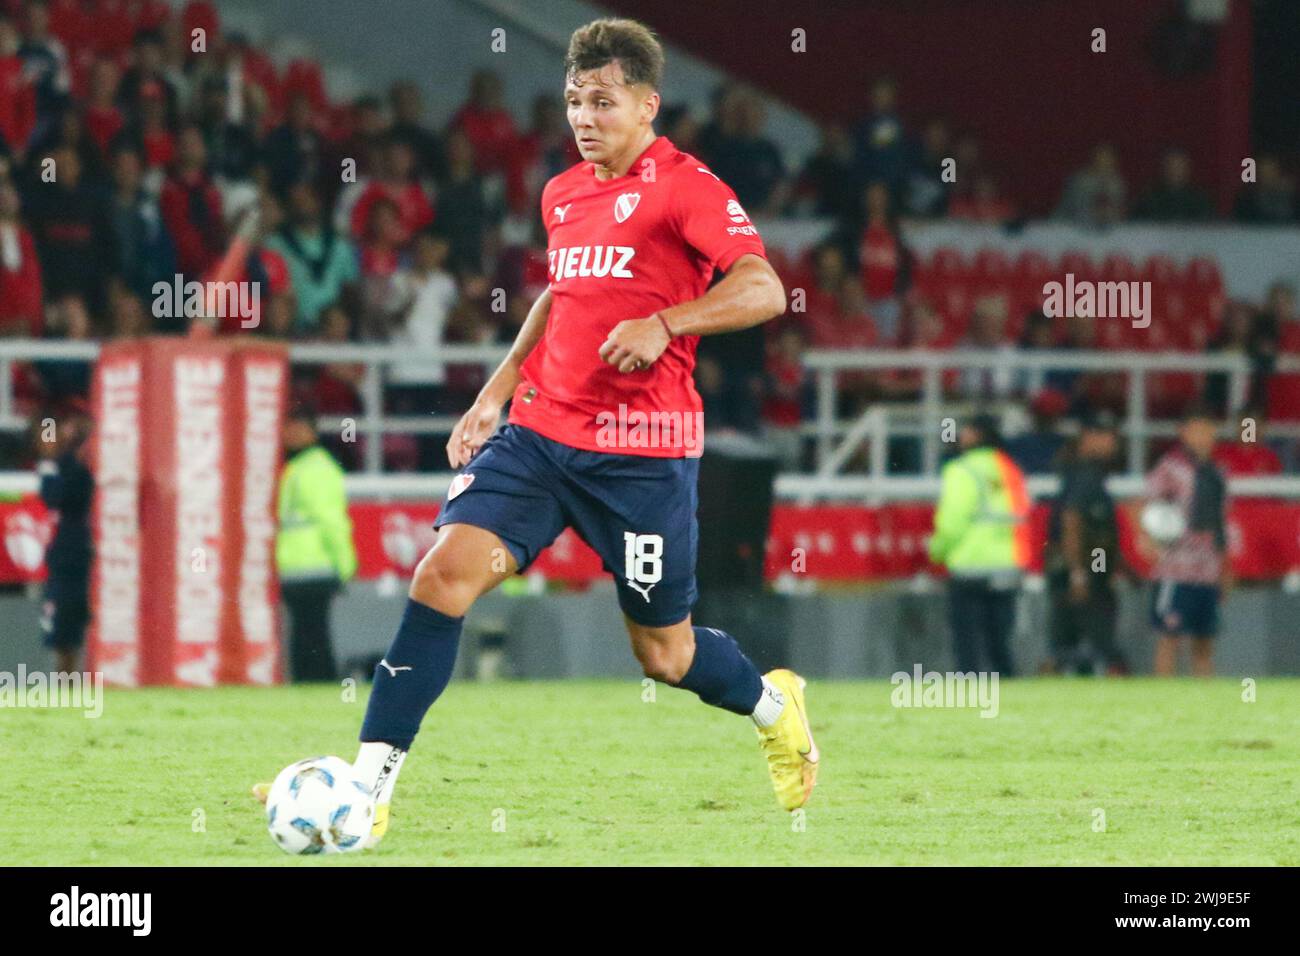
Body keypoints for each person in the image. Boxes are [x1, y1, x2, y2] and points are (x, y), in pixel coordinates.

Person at [255, 17, 814, 846]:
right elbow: (562, 295)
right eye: (572, 102)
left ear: (648, 104)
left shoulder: (686, 186)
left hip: (643, 455)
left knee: (664, 655)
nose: (584, 118)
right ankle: (367, 790)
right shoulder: (563, 192)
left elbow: (763, 288)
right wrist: (498, 388)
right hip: (542, 436)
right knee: (441, 579)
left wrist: (667, 323)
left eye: (602, 101)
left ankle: (775, 705)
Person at [928, 414, 1031, 675]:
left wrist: (937, 551)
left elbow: (952, 520)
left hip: (971, 566)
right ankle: (1009, 692)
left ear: (976, 434)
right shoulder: (1011, 469)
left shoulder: (961, 469)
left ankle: (972, 695)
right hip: (1008, 565)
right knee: (1001, 640)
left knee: (968, 642)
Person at [1143, 405, 1231, 677]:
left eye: (1207, 429)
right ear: (1183, 433)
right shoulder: (1170, 468)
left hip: (1207, 569)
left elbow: (1221, 523)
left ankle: (1204, 703)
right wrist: (1146, 537)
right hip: (1176, 568)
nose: (1202, 436)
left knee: (1205, 641)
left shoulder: (1218, 473)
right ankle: (1164, 701)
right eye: (1196, 429)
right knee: (1170, 638)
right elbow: (1144, 504)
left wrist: (1224, 566)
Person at [1043, 410, 1130, 675]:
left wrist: (1120, 567)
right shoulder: (1085, 474)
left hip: (1085, 570)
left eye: (1112, 437)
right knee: (1093, 647)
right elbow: (1072, 520)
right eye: (1103, 436)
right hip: (1082, 573)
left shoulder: (1084, 472)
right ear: (1087, 437)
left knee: (1068, 647)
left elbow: (1100, 532)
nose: (1111, 443)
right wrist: (1079, 573)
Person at [275, 404, 358, 682]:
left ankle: (317, 681)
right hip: (303, 563)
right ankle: (315, 682)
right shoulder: (303, 467)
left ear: (312, 431)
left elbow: (331, 521)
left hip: (313, 563)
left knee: (311, 632)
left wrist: (343, 564)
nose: (290, 434)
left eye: (297, 428)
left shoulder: (314, 468)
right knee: (307, 631)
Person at [36, 399, 94, 675]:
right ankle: (68, 687)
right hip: (69, 554)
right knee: (64, 631)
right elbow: (53, 497)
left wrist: (53, 461)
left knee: (69, 627)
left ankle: (71, 684)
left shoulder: (77, 467)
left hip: (74, 554)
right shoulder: (64, 465)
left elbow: (55, 497)